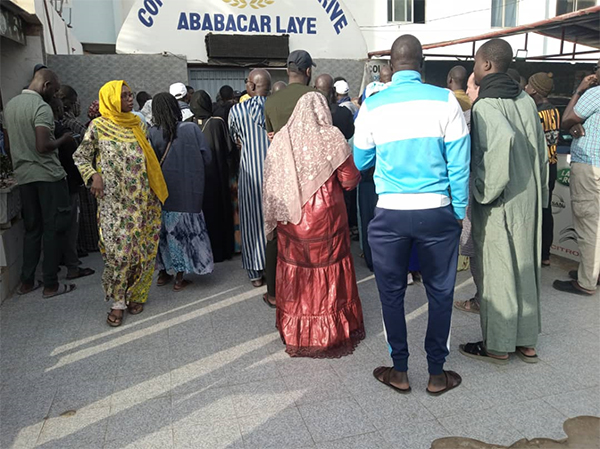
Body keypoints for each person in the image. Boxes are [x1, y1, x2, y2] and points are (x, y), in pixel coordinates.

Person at [354, 35, 470, 395]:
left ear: (391, 65)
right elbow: (459, 165)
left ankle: (400, 370)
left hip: (390, 214)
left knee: (391, 293)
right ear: (421, 64)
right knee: (440, 291)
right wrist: (459, 213)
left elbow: (360, 161)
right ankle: (437, 373)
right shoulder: (446, 100)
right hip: (437, 213)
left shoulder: (373, 105)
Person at [459, 39, 548, 365]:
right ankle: (526, 342)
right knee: (524, 268)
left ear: (485, 66)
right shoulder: (524, 99)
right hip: (528, 196)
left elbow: (502, 141)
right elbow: (537, 148)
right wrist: (542, 193)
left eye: (474, 63)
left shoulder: (486, 106)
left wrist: (483, 191)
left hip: (499, 200)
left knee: (498, 272)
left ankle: (497, 344)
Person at [263, 92, 365, 357]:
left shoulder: (282, 138)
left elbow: (271, 180)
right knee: (328, 273)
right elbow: (349, 179)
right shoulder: (332, 137)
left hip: (291, 221)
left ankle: (296, 331)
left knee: (297, 274)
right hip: (327, 221)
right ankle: (329, 332)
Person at [74, 80, 168, 327]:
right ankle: (118, 302)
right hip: (115, 204)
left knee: (144, 251)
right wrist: (93, 175)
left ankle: (137, 293)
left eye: (131, 95)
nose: (129, 98)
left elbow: (148, 156)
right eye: (124, 95)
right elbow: (80, 156)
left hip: (145, 200)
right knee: (119, 254)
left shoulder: (139, 124)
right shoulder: (98, 127)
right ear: (111, 99)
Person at [4, 69, 77, 298]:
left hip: (25, 177)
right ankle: (50, 285)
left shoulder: (11, 105)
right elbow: (43, 145)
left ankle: (27, 282)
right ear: (45, 85)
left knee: (32, 230)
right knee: (53, 229)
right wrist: (64, 139)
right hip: (47, 176)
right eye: (54, 90)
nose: (55, 95)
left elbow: (7, 146)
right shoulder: (41, 107)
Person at [263, 50, 315, 307]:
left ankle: (273, 292)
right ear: (308, 72)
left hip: (281, 174)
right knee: (308, 231)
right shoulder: (316, 96)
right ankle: (308, 291)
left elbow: (271, 135)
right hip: (311, 176)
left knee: (276, 231)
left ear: (287, 72)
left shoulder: (271, 102)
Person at [149, 93, 214, 290]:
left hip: (163, 195)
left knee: (165, 234)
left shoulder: (152, 132)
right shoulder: (191, 128)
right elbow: (207, 157)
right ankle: (179, 277)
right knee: (186, 235)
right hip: (189, 193)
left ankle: (162, 273)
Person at [553, 62, 600, 296]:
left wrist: (580, 89)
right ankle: (593, 272)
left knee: (588, 225)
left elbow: (566, 120)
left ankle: (586, 282)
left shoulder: (595, 93)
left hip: (590, 166)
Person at [228, 69, 272, 288]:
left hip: (250, 174)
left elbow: (235, 138)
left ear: (253, 86)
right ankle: (276, 269)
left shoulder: (236, 111)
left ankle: (255, 272)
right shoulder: (278, 108)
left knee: (251, 221)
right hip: (276, 175)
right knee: (276, 223)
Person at [49, 97, 95, 281]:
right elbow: (74, 158)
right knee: (70, 226)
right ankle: (72, 266)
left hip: (53, 182)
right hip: (67, 182)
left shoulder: (53, 128)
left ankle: (61, 261)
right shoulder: (64, 130)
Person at [190, 90, 236, 263]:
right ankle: (222, 251)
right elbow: (229, 149)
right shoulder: (217, 123)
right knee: (220, 213)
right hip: (217, 176)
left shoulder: (189, 123)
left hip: (197, 179)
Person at [525, 72, 560, 268]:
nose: (526, 88)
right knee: (547, 211)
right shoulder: (554, 110)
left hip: (540, 168)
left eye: (529, 85)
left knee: (536, 211)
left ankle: (536, 252)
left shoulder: (536, 113)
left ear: (535, 89)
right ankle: (546, 253)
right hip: (553, 165)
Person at [454, 72, 482, 314]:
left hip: (477, 194)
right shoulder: (521, 108)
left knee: (474, 248)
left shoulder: (470, 116)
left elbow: (457, 160)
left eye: (472, 88)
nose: (469, 92)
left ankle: (482, 299)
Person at [58, 85, 97, 259]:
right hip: (80, 173)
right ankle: (84, 246)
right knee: (83, 213)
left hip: (70, 173)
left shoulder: (60, 121)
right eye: (74, 102)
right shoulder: (73, 123)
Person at [314, 74, 354, 139]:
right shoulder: (344, 113)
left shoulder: (309, 112)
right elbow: (349, 134)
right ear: (334, 90)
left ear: (314, 88)